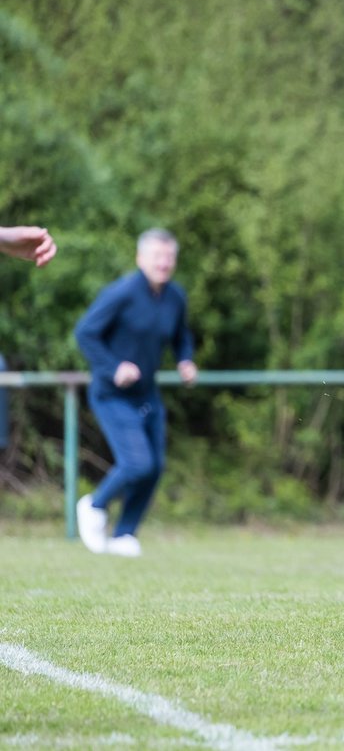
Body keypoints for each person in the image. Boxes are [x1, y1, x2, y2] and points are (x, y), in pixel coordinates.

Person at [74, 228, 197, 557]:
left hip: (148, 396)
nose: (164, 263)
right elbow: (85, 333)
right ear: (141, 258)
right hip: (111, 394)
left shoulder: (175, 297)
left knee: (155, 467)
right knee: (136, 463)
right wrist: (114, 367)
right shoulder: (122, 293)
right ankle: (94, 505)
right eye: (158, 256)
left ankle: (124, 534)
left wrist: (185, 360)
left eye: (170, 256)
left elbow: (182, 335)